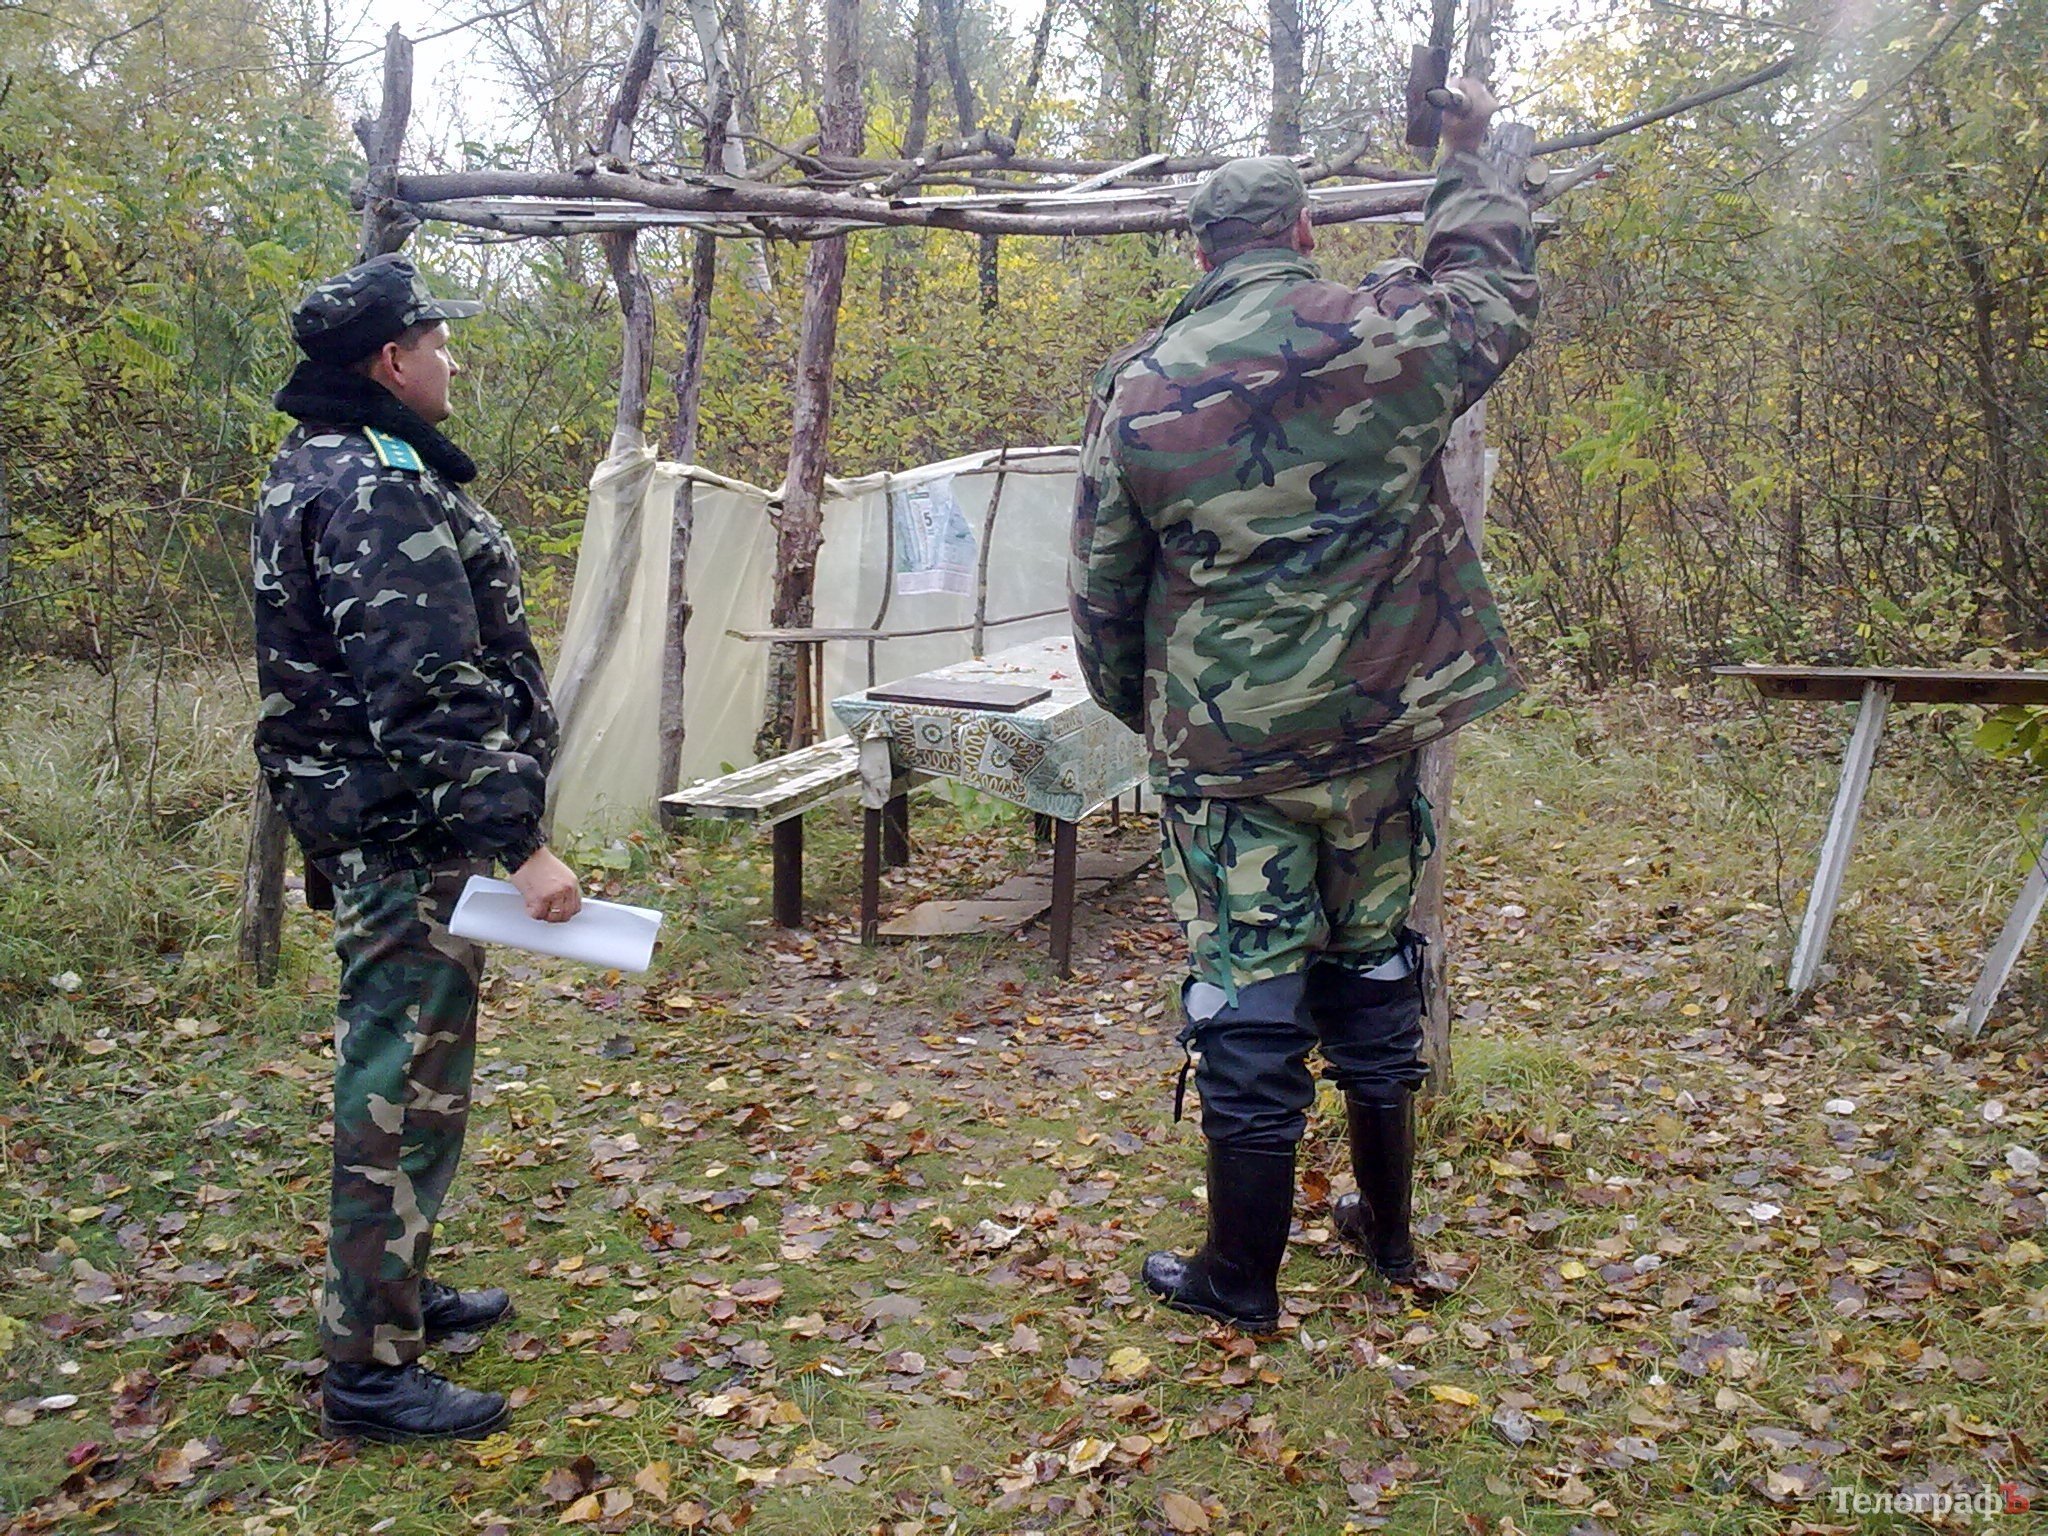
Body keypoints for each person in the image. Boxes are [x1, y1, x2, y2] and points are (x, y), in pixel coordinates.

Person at [1068, 80, 1540, 1332]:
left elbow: (1103, 597)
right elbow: (1492, 294)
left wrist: (1160, 716)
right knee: (1374, 959)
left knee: (1248, 980)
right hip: (1379, 736)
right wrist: (1466, 160)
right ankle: (1385, 1233)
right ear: (1305, 234)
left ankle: (1242, 1278)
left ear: (1198, 247)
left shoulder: (1141, 388)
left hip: (1226, 751)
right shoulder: (1385, 334)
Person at [251, 253, 582, 1440]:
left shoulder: (321, 463)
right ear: (390, 362)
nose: (452, 362)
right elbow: (425, 689)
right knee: (396, 1090)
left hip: (386, 822)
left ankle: (394, 1289)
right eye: (438, 345)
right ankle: (371, 1373)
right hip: (408, 832)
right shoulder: (377, 482)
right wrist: (518, 844)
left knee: (414, 1086)